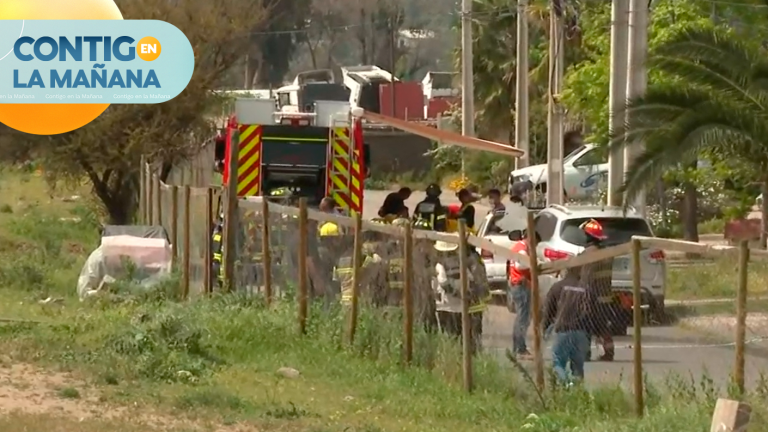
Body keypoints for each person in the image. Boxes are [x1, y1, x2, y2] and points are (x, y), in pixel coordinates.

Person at [542, 265, 603, 384]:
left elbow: (548, 310)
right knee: (578, 366)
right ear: (580, 272)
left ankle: (565, 385)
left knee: (558, 362)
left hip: (563, 330)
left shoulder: (557, 287)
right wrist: (598, 333)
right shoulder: (586, 289)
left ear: (566, 271)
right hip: (581, 332)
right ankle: (577, 391)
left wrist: (545, 328)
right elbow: (595, 312)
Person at [432, 240, 489, 354]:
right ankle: (466, 356)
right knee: (463, 336)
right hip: (460, 307)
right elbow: (471, 280)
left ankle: (454, 358)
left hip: (446, 306)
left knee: (450, 336)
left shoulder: (440, 264)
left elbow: (443, 283)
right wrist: (465, 294)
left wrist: (458, 294)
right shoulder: (461, 262)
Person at [578, 218, 617, 362]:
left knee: (585, 326)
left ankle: (585, 352)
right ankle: (608, 352)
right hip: (605, 298)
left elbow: (585, 280)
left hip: (590, 298)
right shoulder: (606, 254)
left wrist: (583, 299)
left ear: (588, 236)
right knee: (604, 328)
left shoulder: (588, 255)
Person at [507, 229, 540, 360]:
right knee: (523, 318)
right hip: (521, 285)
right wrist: (533, 264)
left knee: (521, 317)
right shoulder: (522, 249)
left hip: (518, 285)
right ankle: (520, 348)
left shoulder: (518, 247)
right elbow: (520, 265)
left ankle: (518, 347)